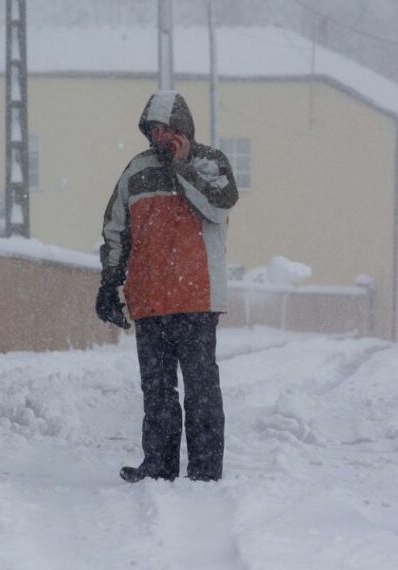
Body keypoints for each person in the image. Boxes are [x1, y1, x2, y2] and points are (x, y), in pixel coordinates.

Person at [96, 90, 239, 483]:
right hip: (149, 301)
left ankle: (206, 470)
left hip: (198, 297)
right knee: (157, 392)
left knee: (201, 390)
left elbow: (218, 205)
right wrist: (110, 282)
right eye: (154, 130)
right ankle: (157, 466)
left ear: (183, 129)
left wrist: (182, 168)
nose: (159, 137)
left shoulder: (210, 163)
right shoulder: (135, 171)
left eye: (167, 129)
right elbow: (115, 230)